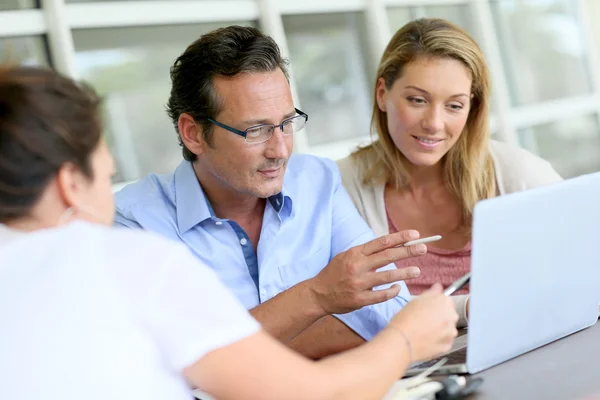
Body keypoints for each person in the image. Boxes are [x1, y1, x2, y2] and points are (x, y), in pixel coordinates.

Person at [0, 65, 458, 400]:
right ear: (69, 184)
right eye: (105, 174)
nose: (279, 148)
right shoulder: (127, 256)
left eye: (285, 124)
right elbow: (314, 391)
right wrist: (402, 339)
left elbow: (386, 301)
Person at [113, 25, 430, 358]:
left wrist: (241, 347)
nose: (280, 150)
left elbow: (393, 312)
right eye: (256, 130)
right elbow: (176, 366)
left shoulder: (318, 181)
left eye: (286, 123)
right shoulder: (136, 226)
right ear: (193, 133)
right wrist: (317, 297)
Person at [337, 18, 562, 327]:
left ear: (472, 108)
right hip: (408, 371)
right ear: (382, 93)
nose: (434, 123)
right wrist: (469, 308)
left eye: (454, 106)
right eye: (417, 100)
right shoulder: (341, 186)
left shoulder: (519, 174)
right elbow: (353, 312)